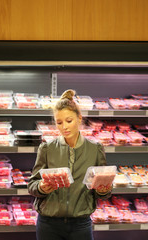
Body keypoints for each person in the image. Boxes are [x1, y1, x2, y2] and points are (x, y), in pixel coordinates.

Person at [28, 89, 112, 240]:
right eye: (59, 122)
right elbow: (32, 186)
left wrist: (103, 189)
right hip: (48, 224)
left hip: (80, 225)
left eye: (69, 121)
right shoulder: (47, 148)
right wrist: (41, 187)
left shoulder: (95, 149)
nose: (64, 127)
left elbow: (103, 192)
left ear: (79, 119)